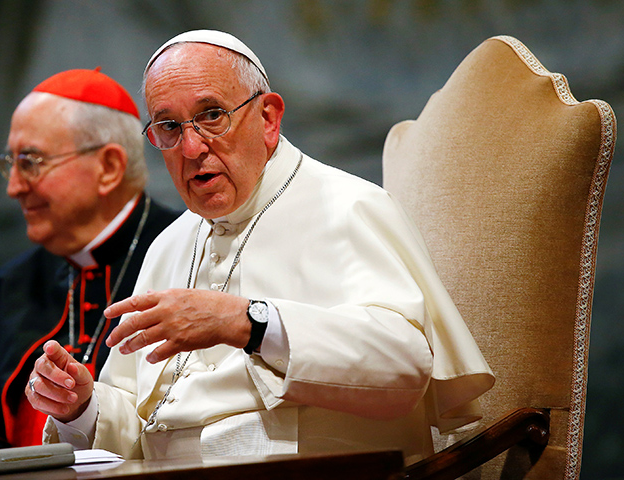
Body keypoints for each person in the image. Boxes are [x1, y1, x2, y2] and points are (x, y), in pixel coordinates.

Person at [25, 31, 495, 465]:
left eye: (211, 115)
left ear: (268, 118)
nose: (190, 148)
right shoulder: (168, 245)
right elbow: (140, 435)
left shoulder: (347, 206)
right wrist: (82, 406)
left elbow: (404, 363)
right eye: (168, 126)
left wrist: (244, 322)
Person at [0, 68, 180, 459]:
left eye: (30, 162)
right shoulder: (14, 284)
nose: (13, 187)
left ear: (109, 167)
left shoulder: (186, 252)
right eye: (9, 164)